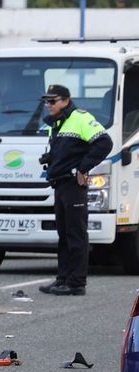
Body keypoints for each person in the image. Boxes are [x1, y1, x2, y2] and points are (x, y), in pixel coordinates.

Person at [37, 84, 112, 296]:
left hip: (73, 185)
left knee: (76, 234)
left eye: (53, 100)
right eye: (46, 101)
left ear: (66, 100)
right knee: (63, 234)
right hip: (60, 184)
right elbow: (67, 150)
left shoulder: (80, 117)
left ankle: (76, 283)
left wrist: (83, 167)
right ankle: (62, 279)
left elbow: (104, 143)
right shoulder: (56, 123)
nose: (48, 105)